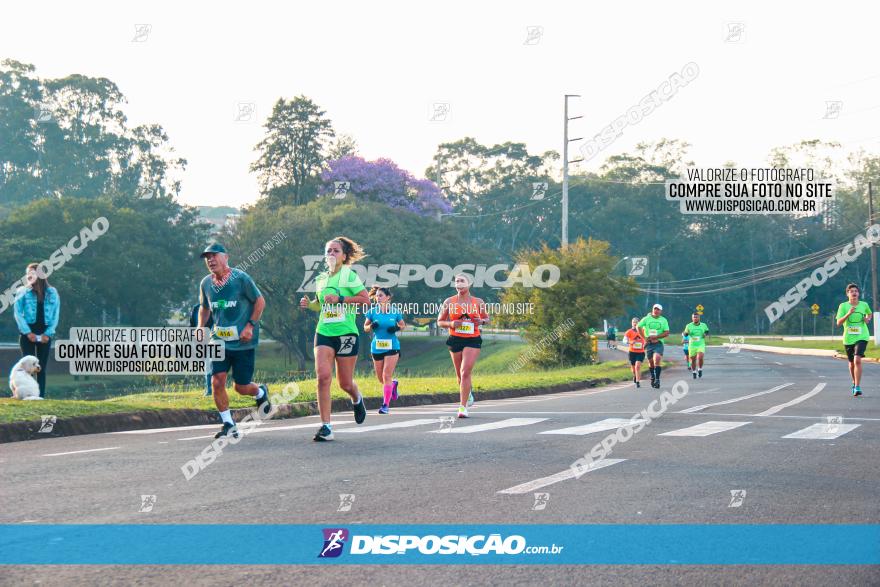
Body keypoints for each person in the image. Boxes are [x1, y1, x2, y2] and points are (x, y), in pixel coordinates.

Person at [299, 236, 371, 441]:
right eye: (328, 251)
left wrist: (341, 298)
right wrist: (309, 304)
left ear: (344, 256)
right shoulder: (321, 279)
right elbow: (320, 304)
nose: (331, 254)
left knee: (345, 383)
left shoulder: (349, 276)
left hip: (346, 333)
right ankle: (326, 426)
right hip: (324, 332)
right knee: (322, 377)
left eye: (335, 251)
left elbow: (365, 300)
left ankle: (357, 398)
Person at [198, 243, 271, 439]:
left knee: (241, 387)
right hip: (218, 340)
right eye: (207, 258)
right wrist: (200, 328)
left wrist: (249, 326)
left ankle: (260, 392)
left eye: (214, 256)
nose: (210, 260)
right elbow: (204, 307)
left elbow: (260, 301)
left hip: (243, 342)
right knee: (217, 380)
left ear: (226, 257)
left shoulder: (241, 278)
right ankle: (228, 424)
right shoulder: (206, 283)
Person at [437, 274, 489, 418]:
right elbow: (440, 321)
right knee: (460, 375)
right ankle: (468, 393)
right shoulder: (449, 302)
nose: (459, 283)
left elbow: (487, 318)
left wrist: (482, 321)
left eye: (462, 281)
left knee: (465, 371)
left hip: (473, 339)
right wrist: (451, 324)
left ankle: (462, 407)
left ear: (469, 284)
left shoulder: (478, 302)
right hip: (455, 339)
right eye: (457, 281)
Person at [13, 263, 60, 398]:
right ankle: (27, 395)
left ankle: (40, 396)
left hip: (45, 334)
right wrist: (27, 332)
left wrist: (48, 333)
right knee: (26, 369)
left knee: (41, 368)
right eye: (27, 273)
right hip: (27, 335)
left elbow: (56, 314)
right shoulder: (22, 291)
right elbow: (18, 313)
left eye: (32, 273)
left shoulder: (52, 292)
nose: (29, 275)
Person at [365, 286, 405, 414]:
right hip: (377, 347)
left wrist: (396, 328)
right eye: (377, 295)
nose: (378, 298)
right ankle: (393, 384)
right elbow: (365, 328)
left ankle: (385, 405)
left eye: (381, 295)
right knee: (381, 378)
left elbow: (403, 325)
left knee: (386, 375)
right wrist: (371, 326)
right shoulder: (372, 311)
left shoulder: (395, 312)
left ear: (388, 297)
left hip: (392, 346)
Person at [835, 283, 872, 397]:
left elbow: (869, 314)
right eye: (851, 291)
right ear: (847, 294)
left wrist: (867, 319)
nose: (854, 293)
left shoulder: (864, 304)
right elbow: (838, 323)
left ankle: (857, 386)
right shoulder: (843, 306)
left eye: (856, 291)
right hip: (848, 338)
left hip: (862, 336)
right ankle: (854, 382)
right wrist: (848, 313)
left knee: (857, 360)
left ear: (858, 294)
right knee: (851, 364)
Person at [638, 304, 670, 389]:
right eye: (655, 309)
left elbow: (666, 332)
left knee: (657, 359)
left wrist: (656, 337)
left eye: (658, 309)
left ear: (661, 311)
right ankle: (652, 376)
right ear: (652, 310)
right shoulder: (646, 318)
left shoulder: (663, 320)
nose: (656, 311)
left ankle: (657, 379)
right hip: (649, 344)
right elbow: (638, 327)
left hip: (658, 343)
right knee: (651, 362)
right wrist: (644, 338)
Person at [189, 302, 214, 396]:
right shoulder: (196, 308)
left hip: (212, 339)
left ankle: (210, 389)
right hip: (199, 341)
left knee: (210, 362)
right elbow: (192, 325)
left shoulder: (214, 306)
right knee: (206, 363)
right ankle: (209, 388)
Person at [683, 313, 710, 379]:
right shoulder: (689, 325)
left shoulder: (703, 325)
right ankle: (694, 371)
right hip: (692, 345)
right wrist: (686, 333)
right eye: (694, 317)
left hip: (700, 344)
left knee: (700, 357)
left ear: (699, 318)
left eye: (696, 317)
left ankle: (700, 369)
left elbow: (707, 331)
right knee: (693, 360)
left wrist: (705, 334)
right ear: (692, 318)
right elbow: (685, 333)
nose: (695, 318)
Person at [623, 317, 646, 388]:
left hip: (641, 352)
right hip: (632, 352)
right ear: (632, 323)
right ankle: (635, 376)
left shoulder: (643, 331)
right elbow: (624, 340)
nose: (635, 323)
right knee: (633, 369)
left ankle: (638, 382)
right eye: (633, 322)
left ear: (639, 323)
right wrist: (630, 342)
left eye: (636, 322)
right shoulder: (629, 331)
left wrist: (645, 343)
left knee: (637, 366)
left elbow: (647, 338)